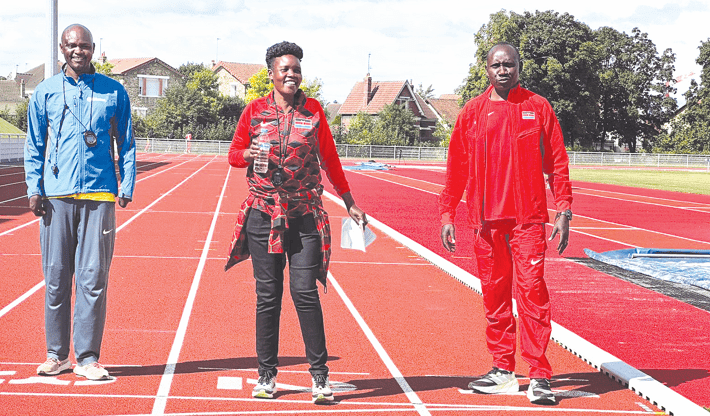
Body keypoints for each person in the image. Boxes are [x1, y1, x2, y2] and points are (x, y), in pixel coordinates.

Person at [225, 41, 367, 403]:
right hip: (262, 215)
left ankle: (320, 377)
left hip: (305, 216)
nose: (291, 74)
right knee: (267, 297)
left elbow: (331, 161)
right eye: (284, 69)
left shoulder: (315, 111)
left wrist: (350, 203)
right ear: (270, 73)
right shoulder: (254, 111)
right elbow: (233, 156)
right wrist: (248, 152)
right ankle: (267, 375)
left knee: (305, 294)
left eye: (297, 69)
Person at [438, 42, 572, 405]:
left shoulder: (538, 107)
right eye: (496, 65)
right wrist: (447, 212)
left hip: (527, 221)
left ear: (518, 68)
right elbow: (456, 168)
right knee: (495, 298)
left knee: (532, 294)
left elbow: (557, 161)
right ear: (486, 69)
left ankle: (539, 375)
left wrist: (564, 209)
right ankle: (502, 370)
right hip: (485, 224)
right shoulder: (472, 113)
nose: (503, 70)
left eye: (509, 64)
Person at [24, 24, 136, 381]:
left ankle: (87, 358)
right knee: (56, 278)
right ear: (62, 47)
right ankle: (56, 355)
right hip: (56, 198)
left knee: (93, 280)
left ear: (93, 50)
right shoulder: (44, 92)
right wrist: (33, 188)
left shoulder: (114, 91)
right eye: (72, 45)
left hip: (99, 196)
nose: (78, 51)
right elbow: (34, 145)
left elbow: (127, 142)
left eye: (85, 46)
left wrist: (126, 184)